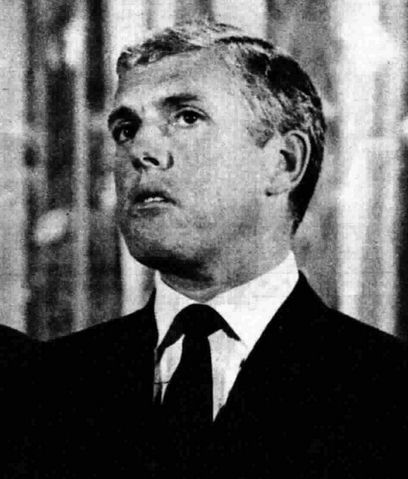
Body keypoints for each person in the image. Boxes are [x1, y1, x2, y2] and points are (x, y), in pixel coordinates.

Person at [39, 20, 408, 478]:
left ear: (284, 163)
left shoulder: (388, 391)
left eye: (187, 117)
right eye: (126, 129)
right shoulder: (45, 386)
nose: (140, 150)